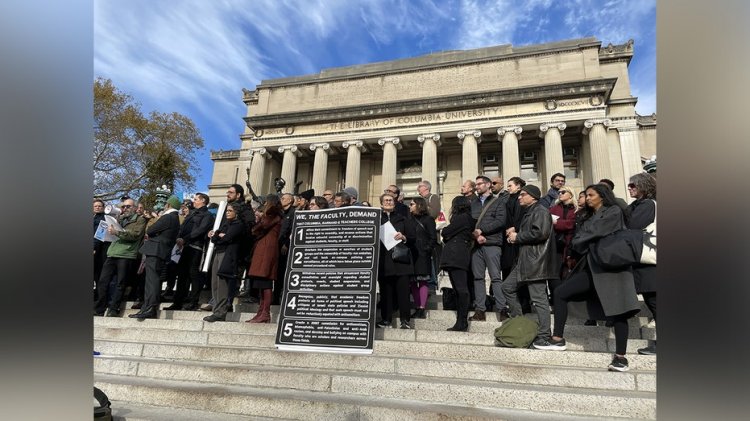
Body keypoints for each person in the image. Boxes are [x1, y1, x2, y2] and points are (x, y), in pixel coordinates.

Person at [543, 184, 641, 373]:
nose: (587, 198)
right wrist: (581, 239)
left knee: (619, 311)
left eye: (591, 195)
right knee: (561, 292)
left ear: (602, 196)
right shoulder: (586, 215)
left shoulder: (613, 211)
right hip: (591, 266)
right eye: (586, 195)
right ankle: (557, 338)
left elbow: (592, 232)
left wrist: (582, 238)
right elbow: (580, 238)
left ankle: (621, 357)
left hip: (613, 266)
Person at [503, 184, 558, 348]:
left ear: (533, 197)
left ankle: (544, 335)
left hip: (536, 262)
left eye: (523, 194)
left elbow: (540, 233)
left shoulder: (540, 211)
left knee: (539, 299)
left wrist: (517, 236)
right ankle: (519, 322)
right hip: (525, 261)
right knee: (507, 287)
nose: (519, 197)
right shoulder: (531, 211)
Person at [94, 197, 147, 317]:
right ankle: (100, 308)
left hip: (126, 254)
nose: (124, 209)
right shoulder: (119, 219)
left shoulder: (140, 220)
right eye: (123, 207)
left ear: (134, 208)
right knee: (103, 281)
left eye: (128, 206)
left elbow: (135, 235)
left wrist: (117, 232)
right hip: (112, 252)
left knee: (120, 283)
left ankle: (114, 308)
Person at [130, 195, 180, 320]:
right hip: (160, 251)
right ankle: (147, 307)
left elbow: (151, 230)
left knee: (152, 281)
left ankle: (149, 308)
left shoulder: (168, 217)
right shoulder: (174, 218)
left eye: (165, 204)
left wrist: (156, 227)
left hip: (156, 250)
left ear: (168, 205)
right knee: (152, 280)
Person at [626, 172, 657, 355]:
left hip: (649, 262)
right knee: (652, 299)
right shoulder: (638, 204)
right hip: (643, 261)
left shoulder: (646, 205)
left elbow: (633, 226)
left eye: (633, 186)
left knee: (654, 300)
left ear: (643, 186)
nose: (630, 188)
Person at [166, 193, 214, 311]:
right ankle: (178, 302)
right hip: (184, 247)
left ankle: (193, 302)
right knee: (182, 275)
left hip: (196, 248)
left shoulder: (207, 215)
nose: (194, 201)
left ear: (203, 201)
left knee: (194, 275)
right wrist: (179, 237)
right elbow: (182, 228)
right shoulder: (192, 214)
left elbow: (201, 230)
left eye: (196, 199)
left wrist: (185, 239)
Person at [469, 175, 508, 322]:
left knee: (496, 278)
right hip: (476, 245)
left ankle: (502, 308)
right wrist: (476, 235)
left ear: (488, 185)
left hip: (492, 244)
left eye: (479, 184)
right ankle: (480, 310)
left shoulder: (498, 202)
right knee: (478, 278)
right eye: (476, 184)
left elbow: (500, 221)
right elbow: (469, 222)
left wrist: (481, 231)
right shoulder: (472, 202)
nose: (476, 187)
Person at [376, 193, 416, 329]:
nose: (388, 202)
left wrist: (404, 237)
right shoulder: (376, 219)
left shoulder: (403, 219)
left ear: (395, 203)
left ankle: (405, 321)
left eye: (390, 200)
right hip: (383, 261)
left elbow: (412, 238)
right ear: (381, 203)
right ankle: (386, 320)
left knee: (403, 293)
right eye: (385, 200)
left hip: (401, 262)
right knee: (386, 293)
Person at [203, 203, 245, 322]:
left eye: (230, 211)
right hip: (218, 252)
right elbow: (215, 238)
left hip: (227, 255)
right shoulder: (225, 224)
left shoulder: (238, 225)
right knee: (214, 283)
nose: (227, 212)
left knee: (222, 285)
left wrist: (219, 236)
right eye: (227, 210)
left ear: (236, 212)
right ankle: (216, 309)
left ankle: (221, 312)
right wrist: (218, 235)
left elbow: (227, 237)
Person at [439, 196, 475, 331]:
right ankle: (461, 321)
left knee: (461, 289)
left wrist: (446, 232)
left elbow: (446, 232)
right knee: (459, 289)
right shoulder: (467, 218)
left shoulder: (462, 218)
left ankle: (462, 321)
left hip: (456, 255)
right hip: (459, 254)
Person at [246, 195, 284, 323]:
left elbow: (263, 225)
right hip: (264, 248)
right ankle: (260, 312)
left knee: (265, 281)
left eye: (267, 202)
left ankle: (265, 313)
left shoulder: (273, 214)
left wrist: (256, 227)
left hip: (267, 249)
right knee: (260, 282)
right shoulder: (272, 214)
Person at [406, 197, 437, 319]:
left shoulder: (428, 219)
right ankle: (417, 306)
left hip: (422, 255)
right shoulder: (409, 220)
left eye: (412, 204)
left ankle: (422, 308)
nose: (410, 206)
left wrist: (426, 249)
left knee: (423, 281)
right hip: (411, 254)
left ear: (419, 205)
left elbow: (433, 237)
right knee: (413, 282)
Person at [548, 185, 578, 298]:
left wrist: (558, 223)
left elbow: (572, 224)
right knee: (554, 274)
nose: (560, 194)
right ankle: (556, 298)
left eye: (563, 192)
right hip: (555, 244)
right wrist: (562, 224)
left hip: (569, 245)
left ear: (570, 194)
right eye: (559, 192)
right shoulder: (554, 207)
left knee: (566, 272)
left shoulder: (575, 209)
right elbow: (548, 220)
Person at [93, 199, 110, 299]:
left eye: (99, 206)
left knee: (98, 275)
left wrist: (94, 247)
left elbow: (100, 235)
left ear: (103, 207)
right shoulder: (93, 217)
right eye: (95, 206)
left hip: (99, 250)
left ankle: (100, 297)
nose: (97, 207)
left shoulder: (104, 218)